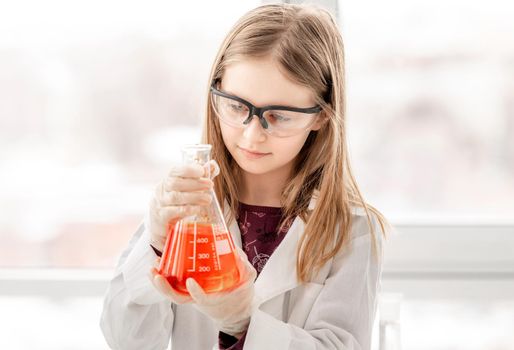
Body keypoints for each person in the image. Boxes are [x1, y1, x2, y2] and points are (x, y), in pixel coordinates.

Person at [100, 3, 390, 350]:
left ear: (321, 116)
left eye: (279, 116)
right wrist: (156, 247)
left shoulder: (352, 230)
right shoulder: (185, 208)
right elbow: (126, 340)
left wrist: (244, 324)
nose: (252, 135)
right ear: (215, 92)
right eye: (237, 107)